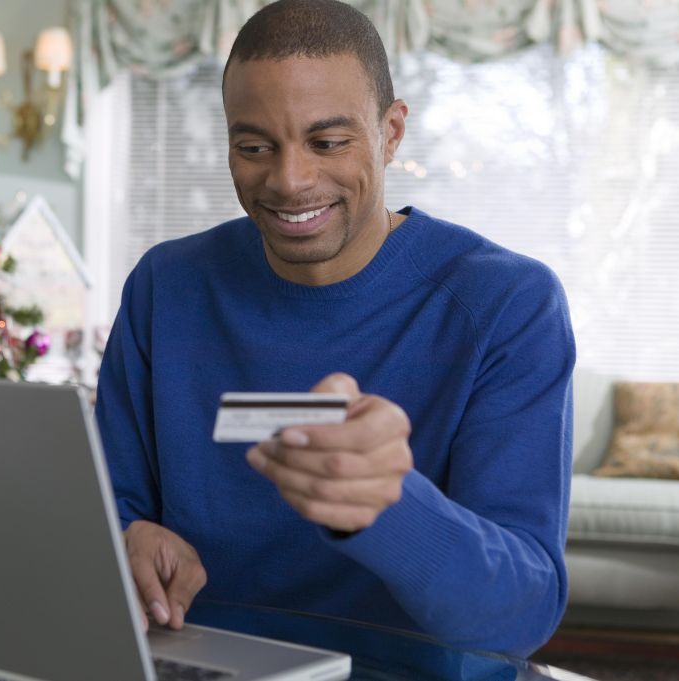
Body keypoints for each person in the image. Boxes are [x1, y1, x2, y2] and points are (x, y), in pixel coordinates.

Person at [94, 0, 575, 658]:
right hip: (200, 662)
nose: (290, 180)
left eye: (328, 142)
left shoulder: (506, 303)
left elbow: (521, 616)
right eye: (254, 146)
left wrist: (387, 504)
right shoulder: (164, 288)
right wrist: (127, 541)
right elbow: (106, 511)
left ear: (392, 131)